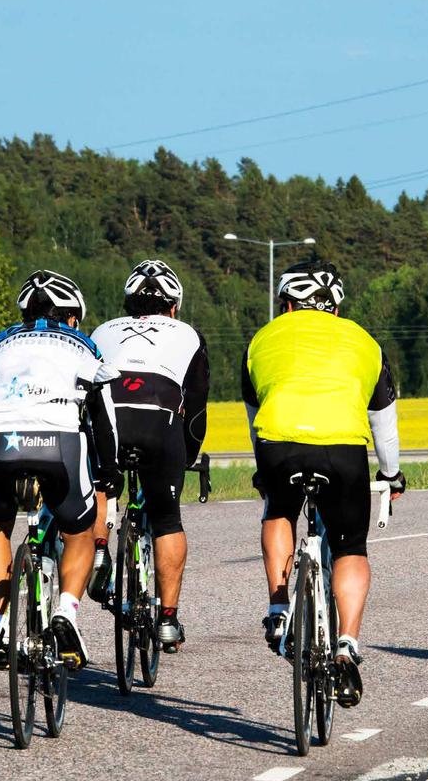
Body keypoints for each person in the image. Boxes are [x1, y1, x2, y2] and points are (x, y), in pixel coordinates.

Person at [0, 269, 120, 671]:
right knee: (78, 531)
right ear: (71, 316)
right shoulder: (84, 345)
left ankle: (1, 625)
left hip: (2, 439)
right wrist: (108, 471)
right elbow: (103, 417)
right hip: (58, 439)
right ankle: (66, 611)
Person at [241, 260, 405, 708]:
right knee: (350, 548)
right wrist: (391, 475)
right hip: (343, 453)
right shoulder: (365, 342)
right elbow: (383, 422)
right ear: (334, 307)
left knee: (278, 511)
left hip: (280, 445)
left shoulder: (262, 339)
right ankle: (347, 646)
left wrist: (263, 467)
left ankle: (278, 608)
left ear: (288, 303)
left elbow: (255, 415)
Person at [89, 260, 209, 651]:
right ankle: (168, 621)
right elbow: (197, 408)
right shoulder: (189, 335)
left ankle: (99, 555)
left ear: (127, 303)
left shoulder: (101, 331)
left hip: (109, 421)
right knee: (167, 518)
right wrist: (187, 456)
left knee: (104, 484)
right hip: (159, 426)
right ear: (174, 306)